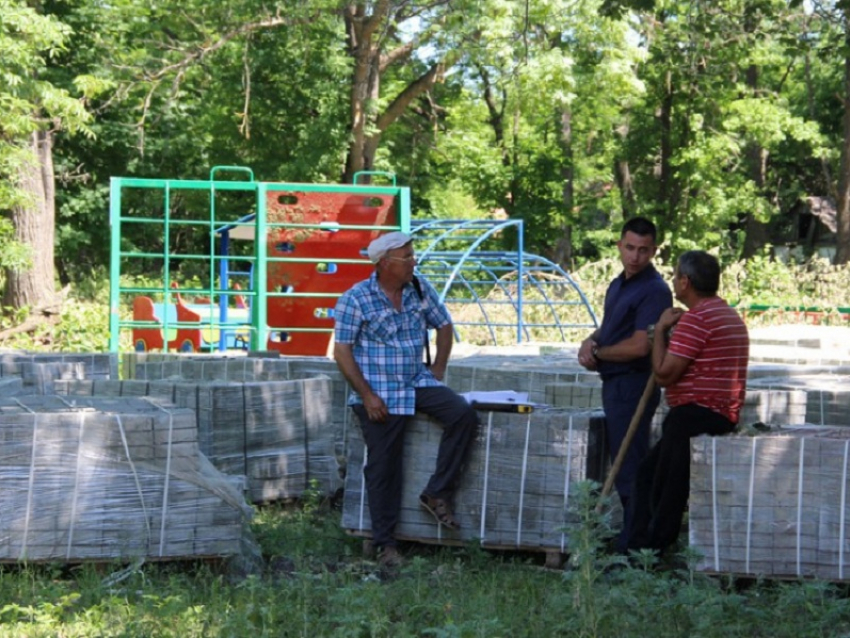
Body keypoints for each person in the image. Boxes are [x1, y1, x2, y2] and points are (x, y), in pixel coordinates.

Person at [333, 231, 479, 568]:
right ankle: (386, 544)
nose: (415, 262)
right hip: (379, 390)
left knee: (462, 414)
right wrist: (367, 395)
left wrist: (438, 368)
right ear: (384, 264)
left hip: (416, 380)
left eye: (413, 255)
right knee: (386, 466)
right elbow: (341, 352)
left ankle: (437, 491)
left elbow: (444, 325)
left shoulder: (418, 287)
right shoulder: (357, 298)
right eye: (408, 257)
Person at [625, 250, 749, 555]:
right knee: (650, 476)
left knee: (665, 489)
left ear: (685, 282)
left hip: (694, 415)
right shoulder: (729, 315)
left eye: (676, 276)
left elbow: (665, 374)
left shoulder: (698, 319)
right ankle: (642, 547)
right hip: (719, 413)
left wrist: (662, 331)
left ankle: (650, 552)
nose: (673, 282)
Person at [577, 217, 672, 551]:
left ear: (654, 251)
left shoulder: (655, 291)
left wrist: (599, 353)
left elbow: (640, 346)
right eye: (630, 248)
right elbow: (609, 328)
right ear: (619, 245)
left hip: (634, 383)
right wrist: (590, 341)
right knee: (625, 460)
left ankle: (636, 547)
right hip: (614, 382)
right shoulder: (619, 284)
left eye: (643, 250)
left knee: (631, 466)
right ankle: (633, 537)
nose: (635, 256)